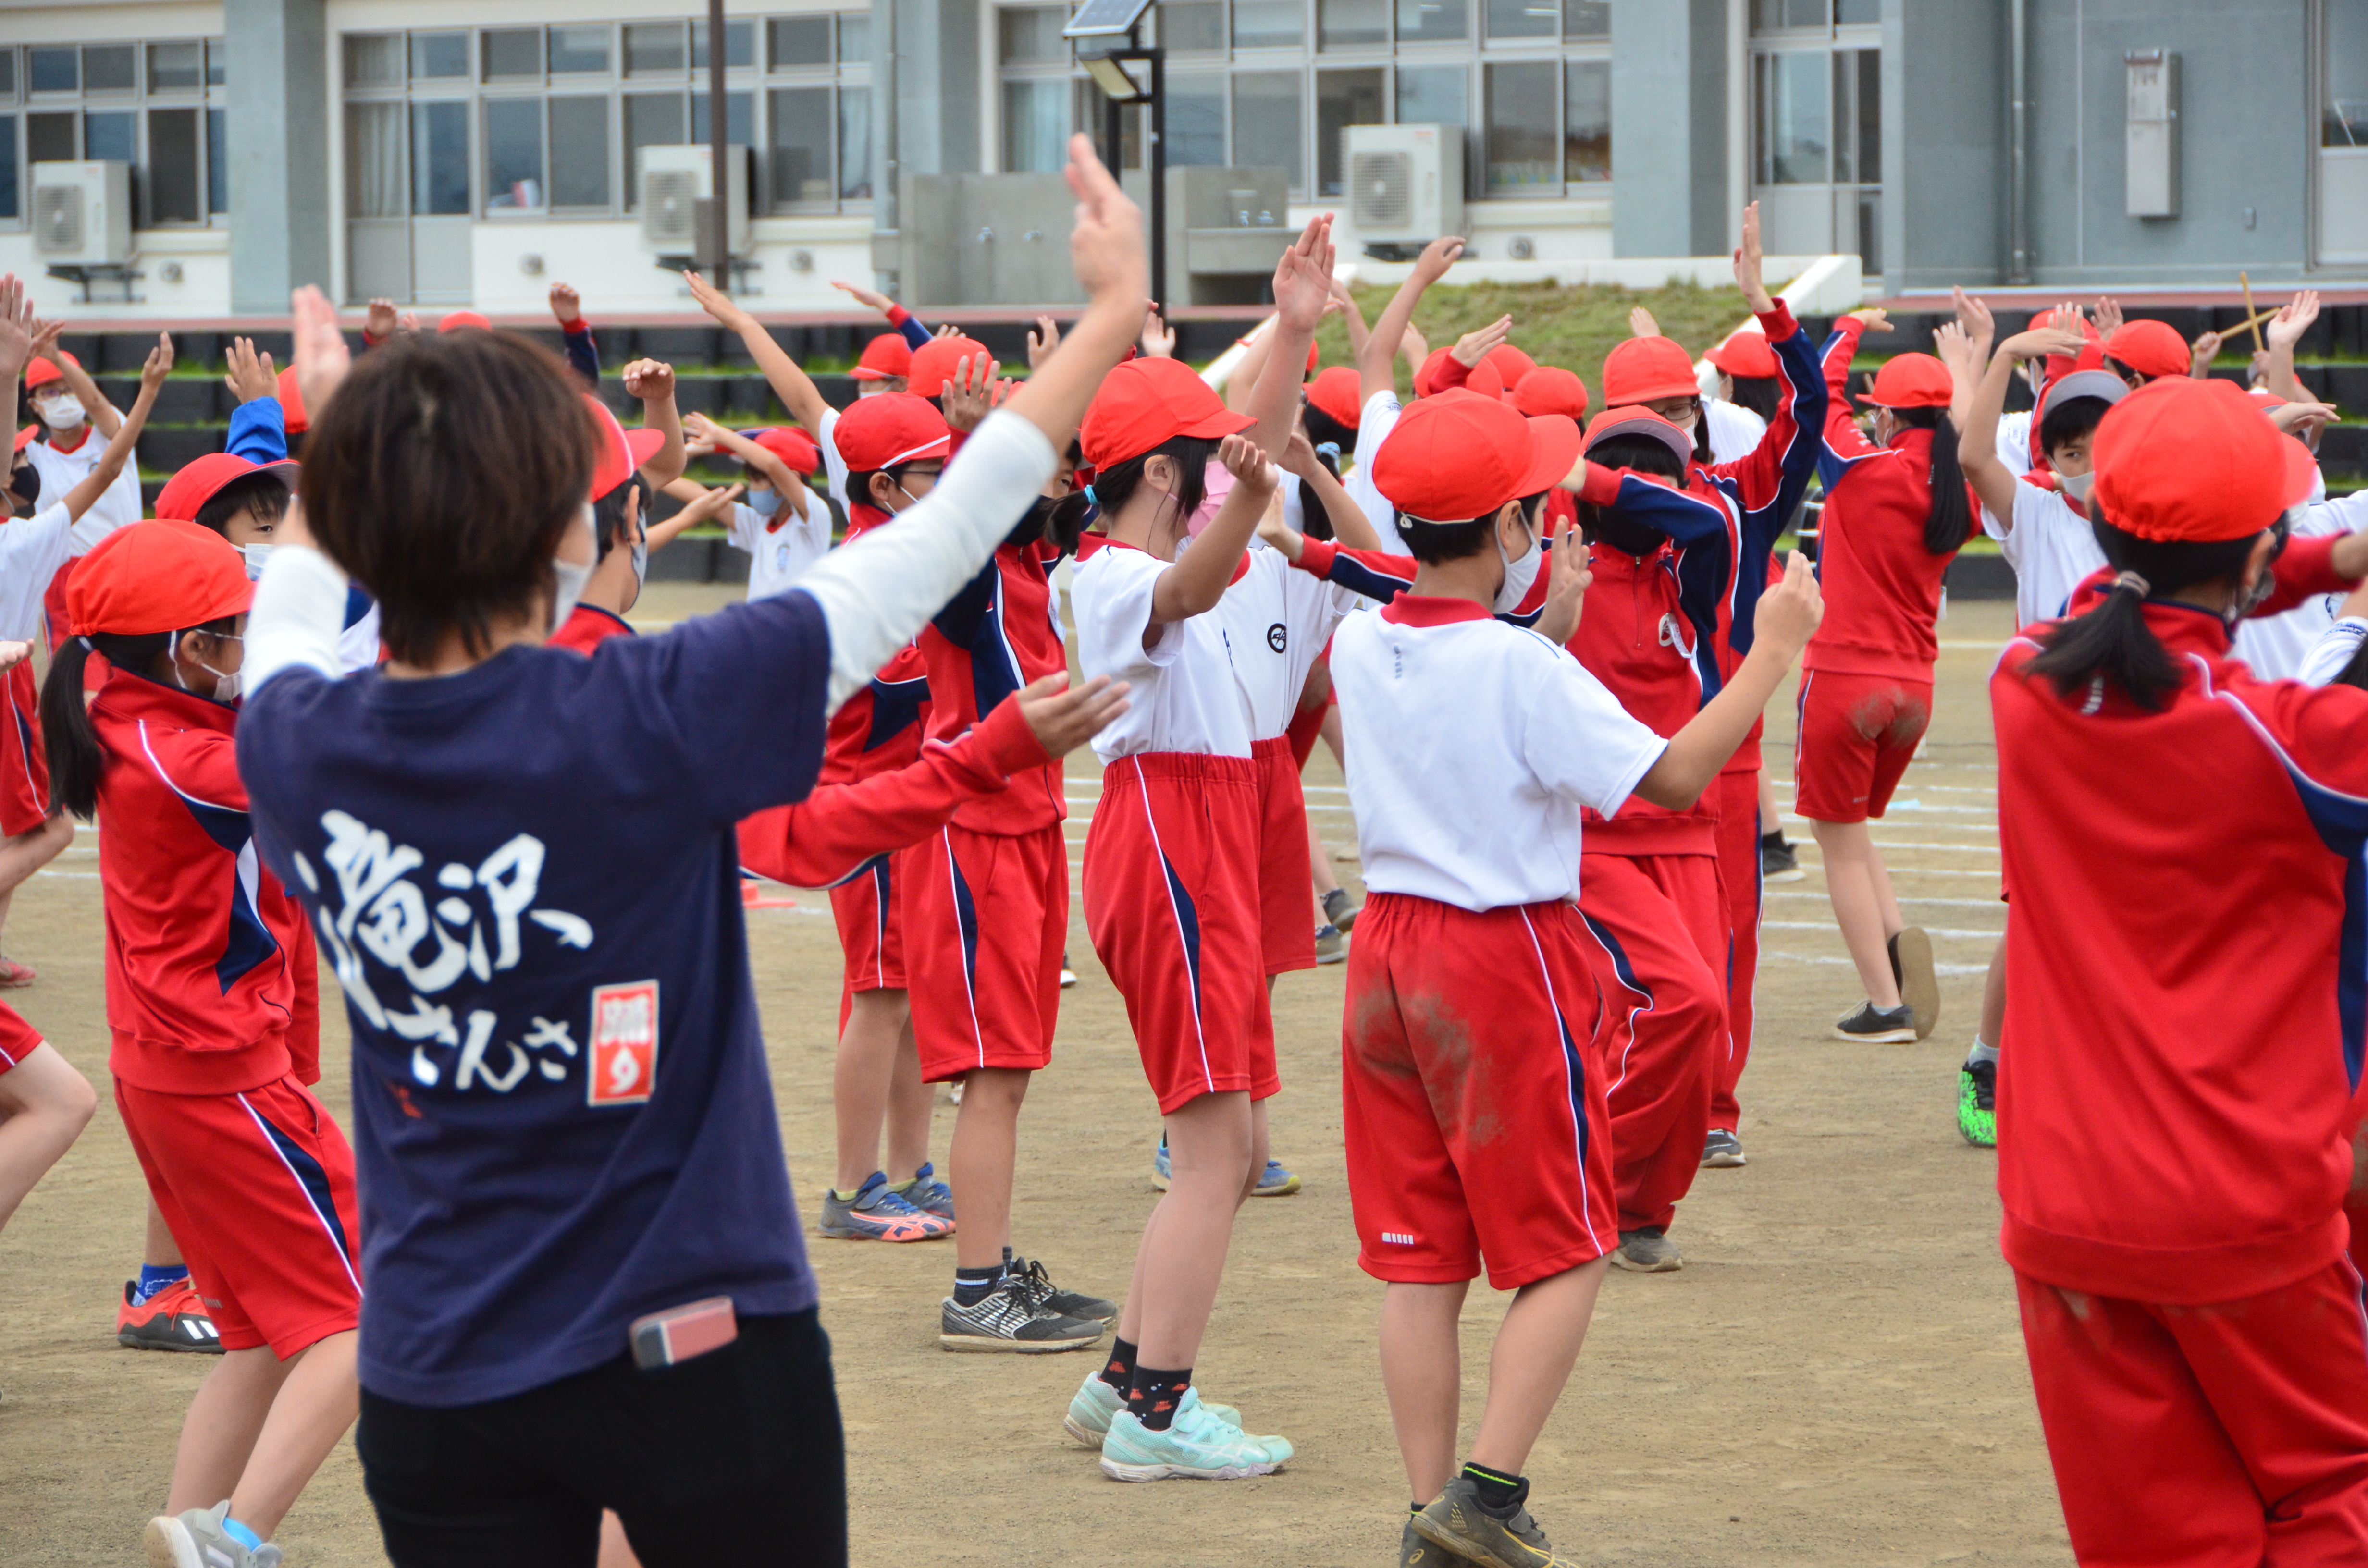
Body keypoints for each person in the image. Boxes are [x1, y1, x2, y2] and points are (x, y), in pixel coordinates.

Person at [232, 134, 1146, 1566]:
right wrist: (1106, 318)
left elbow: (292, 615)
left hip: (438, 1374)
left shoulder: (294, 749)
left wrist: (336, 440)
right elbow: (935, 542)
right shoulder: (651, 711)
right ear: (561, 531)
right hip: (700, 1350)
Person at [1330, 381, 1822, 1568]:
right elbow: (1668, 779)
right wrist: (1774, 654)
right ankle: (1487, 1498)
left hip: (1387, 959)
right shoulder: (1523, 672)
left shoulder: (1361, 640)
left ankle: (1425, 1508)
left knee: (1422, 1259)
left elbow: (1461, 686)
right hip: (1499, 959)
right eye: (1528, 515)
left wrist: (1537, 628)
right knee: (1566, 1246)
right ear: (1505, 530)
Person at [1991, 374, 2368, 1566]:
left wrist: (2314, 562)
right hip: (2239, 1202)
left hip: (2062, 1206)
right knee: (2334, 1496)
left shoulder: (2024, 681)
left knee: (2156, 1537)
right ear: (2260, 548)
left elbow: (2142, 601)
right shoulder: (2287, 740)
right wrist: (2313, 563)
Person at [1056, 215, 1337, 1483]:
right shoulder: (1113, 574)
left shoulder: (1163, 525)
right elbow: (1195, 584)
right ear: (1164, 479)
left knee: (1212, 1136)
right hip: (1173, 844)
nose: (1233, 479)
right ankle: (1157, 1414)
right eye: (1203, 472)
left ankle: (1125, 1377)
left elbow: (1254, 452)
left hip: (1199, 832)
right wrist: (1255, 505)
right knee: (1217, 1148)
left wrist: (1293, 329)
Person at [40, 517, 361, 1568]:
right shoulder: (187, 758)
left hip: (189, 1072)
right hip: (221, 1077)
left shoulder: (134, 717)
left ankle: (189, 1534)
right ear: (181, 648)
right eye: (230, 628)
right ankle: (232, 1541)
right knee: (366, 1320)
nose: (247, 642)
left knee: (268, 1333)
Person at [880, 368, 1117, 1350]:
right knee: (988, 1069)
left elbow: (1108, 492)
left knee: (1008, 1068)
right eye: (1049, 468)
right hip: (974, 837)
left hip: (1018, 830)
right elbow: (968, 535)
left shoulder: (1030, 567)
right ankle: (977, 1289)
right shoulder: (971, 574)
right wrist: (979, 440)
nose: (1065, 480)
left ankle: (992, 1261)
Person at [1795, 314, 1977, 1045]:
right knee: (1852, 830)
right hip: (1915, 688)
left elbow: (1819, 397)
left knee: (1835, 841)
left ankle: (1884, 1004)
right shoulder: (1956, 493)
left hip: (1845, 677)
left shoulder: (1865, 469)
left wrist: (1844, 330)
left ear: (1890, 413)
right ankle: (1898, 954)